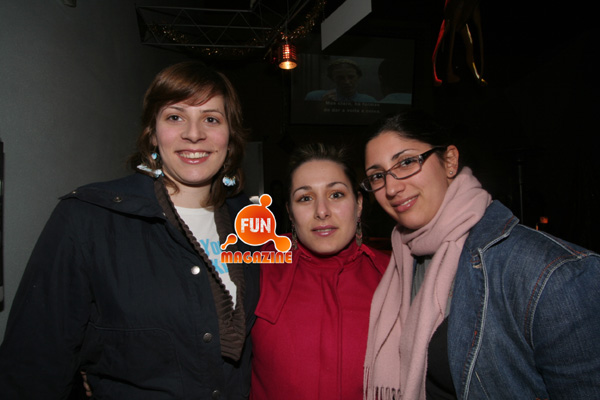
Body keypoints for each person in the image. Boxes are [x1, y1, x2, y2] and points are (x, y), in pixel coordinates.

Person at [0, 61, 260, 399]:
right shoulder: (89, 218)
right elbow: (32, 366)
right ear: (152, 132)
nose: (194, 133)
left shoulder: (250, 225)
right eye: (175, 117)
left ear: (230, 136)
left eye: (211, 119)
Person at [361, 110, 600, 399]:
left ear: (450, 161)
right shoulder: (404, 258)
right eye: (377, 176)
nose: (391, 187)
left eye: (407, 162)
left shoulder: (547, 271)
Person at [250, 143, 389, 400]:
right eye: (305, 198)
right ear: (290, 212)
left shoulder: (394, 275)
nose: (322, 211)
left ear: (359, 204)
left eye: (336, 194)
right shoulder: (258, 269)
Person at [305, 59, 377, 103]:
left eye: (351, 77)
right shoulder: (315, 97)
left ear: (358, 77)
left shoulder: (369, 101)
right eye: (340, 78)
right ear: (332, 78)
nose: (347, 82)